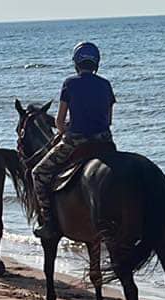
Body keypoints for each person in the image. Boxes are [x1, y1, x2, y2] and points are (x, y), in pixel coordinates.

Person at [31, 42, 116, 233]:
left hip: (77, 140)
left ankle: (49, 221)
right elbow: (109, 120)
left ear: (76, 63)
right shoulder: (106, 84)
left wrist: (64, 130)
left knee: (38, 174)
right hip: (105, 141)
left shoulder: (69, 83)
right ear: (96, 64)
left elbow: (60, 122)